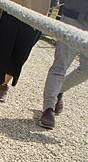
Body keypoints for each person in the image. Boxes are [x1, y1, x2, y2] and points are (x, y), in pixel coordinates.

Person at [0, 0, 50, 112]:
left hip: (35, 16)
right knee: (0, 53)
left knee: (19, 58)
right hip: (10, 9)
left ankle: (4, 83)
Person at [40, 0, 88, 129]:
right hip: (74, 14)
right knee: (61, 64)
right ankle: (48, 108)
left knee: (86, 69)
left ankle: (58, 90)